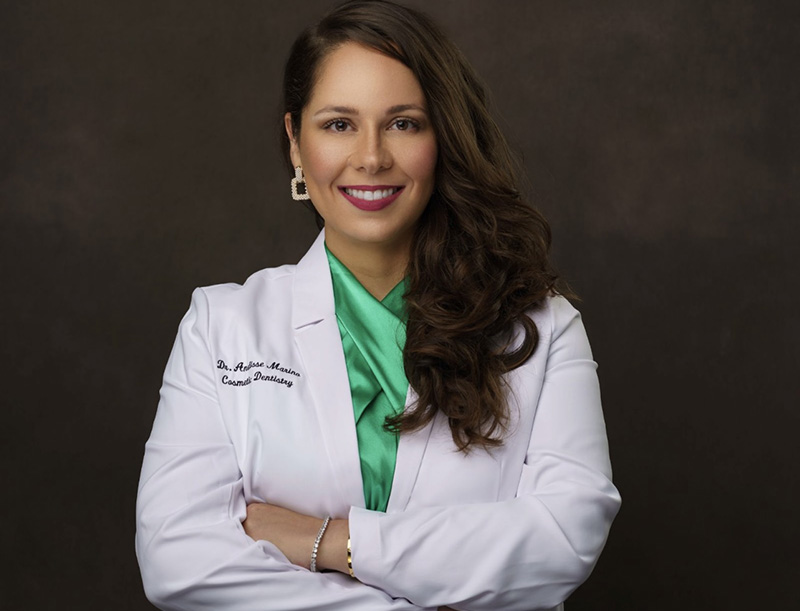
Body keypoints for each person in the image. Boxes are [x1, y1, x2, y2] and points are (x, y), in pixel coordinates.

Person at [135, 1, 621, 609]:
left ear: (442, 138)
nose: (370, 157)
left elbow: (563, 537)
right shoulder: (220, 327)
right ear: (295, 142)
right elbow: (176, 560)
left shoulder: (540, 329)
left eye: (404, 123)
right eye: (339, 124)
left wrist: (329, 542)